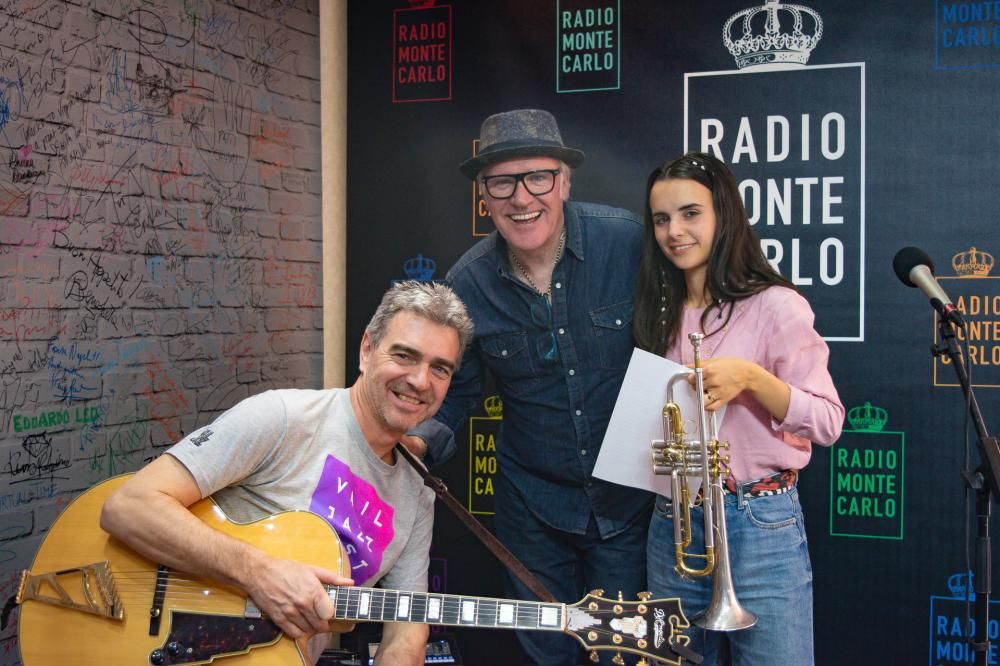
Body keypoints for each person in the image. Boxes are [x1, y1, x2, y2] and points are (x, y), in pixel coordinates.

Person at [100, 281, 474, 666]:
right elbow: (128, 506)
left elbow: (406, 631)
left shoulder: (417, 490)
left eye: (439, 368)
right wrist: (259, 573)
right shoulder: (282, 418)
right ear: (366, 349)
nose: (420, 381)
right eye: (405, 355)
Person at [406, 109, 652, 665]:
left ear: (564, 182)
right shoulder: (466, 283)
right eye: (502, 183)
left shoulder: (629, 243)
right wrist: (417, 443)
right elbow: (460, 390)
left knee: (627, 655)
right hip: (531, 511)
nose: (522, 198)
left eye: (538, 177)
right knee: (548, 657)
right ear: (483, 197)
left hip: (628, 505)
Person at [633, 151, 844, 665]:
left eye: (690, 214)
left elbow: (828, 421)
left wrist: (751, 379)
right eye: (661, 219)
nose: (674, 232)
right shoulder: (657, 311)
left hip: (759, 521)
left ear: (724, 216)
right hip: (673, 522)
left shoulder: (776, 305)